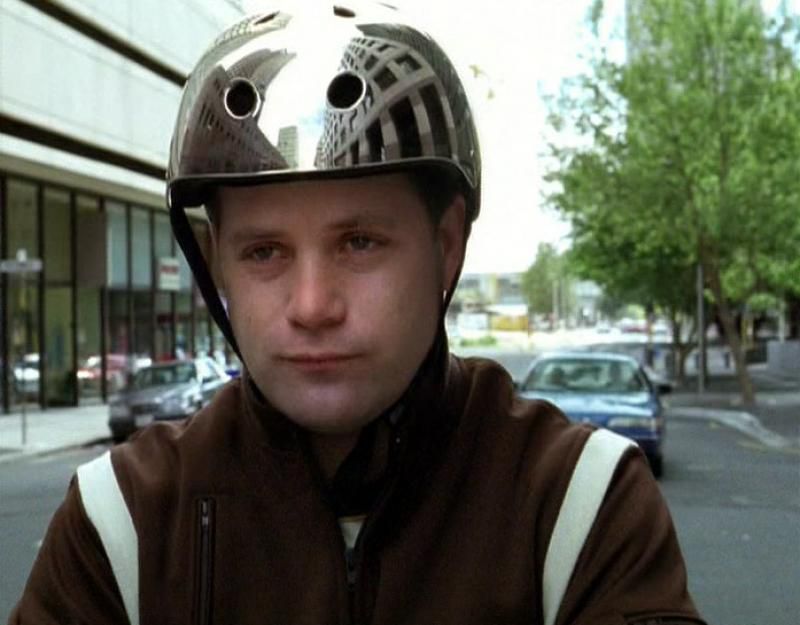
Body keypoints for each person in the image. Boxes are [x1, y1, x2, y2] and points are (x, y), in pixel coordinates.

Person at [10, 4, 706, 624]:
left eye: (360, 242)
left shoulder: (578, 503)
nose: (313, 306)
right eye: (264, 252)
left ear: (446, 247)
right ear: (217, 264)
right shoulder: (121, 520)